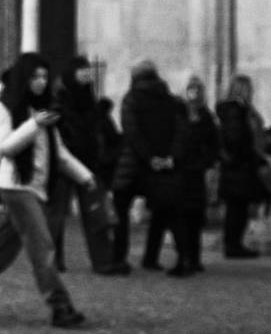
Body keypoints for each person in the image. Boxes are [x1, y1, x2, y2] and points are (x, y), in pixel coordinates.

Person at [0, 52, 94, 327]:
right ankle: (60, 306)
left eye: (44, 76)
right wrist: (34, 124)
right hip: (16, 186)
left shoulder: (42, 108)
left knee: (3, 248)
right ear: (24, 78)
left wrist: (85, 177)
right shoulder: (6, 106)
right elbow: (4, 147)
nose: (41, 82)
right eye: (35, 76)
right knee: (42, 246)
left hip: (34, 187)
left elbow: (59, 153)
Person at [109, 59, 186, 273]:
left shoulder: (132, 99)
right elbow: (180, 132)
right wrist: (169, 157)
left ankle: (118, 257)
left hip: (133, 163)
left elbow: (132, 132)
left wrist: (148, 156)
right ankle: (154, 257)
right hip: (162, 163)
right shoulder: (169, 99)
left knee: (121, 209)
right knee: (163, 210)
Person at [48, 55, 119, 274]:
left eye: (88, 69)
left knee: (96, 212)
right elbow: (62, 131)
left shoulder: (92, 102)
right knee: (56, 215)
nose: (87, 73)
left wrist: (105, 157)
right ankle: (51, 260)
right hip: (63, 164)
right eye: (82, 69)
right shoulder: (60, 102)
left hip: (90, 163)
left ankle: (103, 260)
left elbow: (105, 133)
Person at [216, 73, 270, 258]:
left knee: (239, 207)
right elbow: (237, 139)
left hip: (240, 165)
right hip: (239, 166)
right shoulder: (236, 111)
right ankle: (233, 245)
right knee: (236, 208)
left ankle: (234, 244)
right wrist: (252, 157)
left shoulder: (241, 110)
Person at [179, 76, 220, 272]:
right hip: (181, 171)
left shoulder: (206, 117)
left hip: (197, 171)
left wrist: (205, 163)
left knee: (195, 216)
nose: (194, 94)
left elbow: (214, 144)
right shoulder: (179, 115)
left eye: (197, 90)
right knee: (183, 215)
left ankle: (193, 257)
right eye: (191, 90)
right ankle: (185, 256)